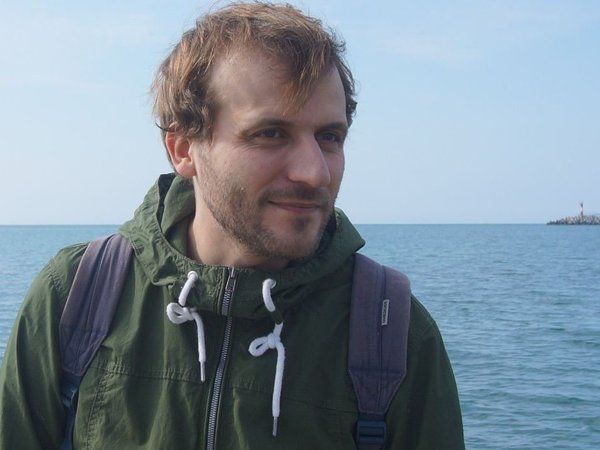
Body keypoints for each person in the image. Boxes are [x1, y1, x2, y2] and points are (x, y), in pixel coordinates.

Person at [0, 2, 464, 448]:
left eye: (329, 136)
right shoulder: (77, 295)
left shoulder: (390, 331)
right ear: (183, 149)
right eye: (270, 134)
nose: (315, 172)